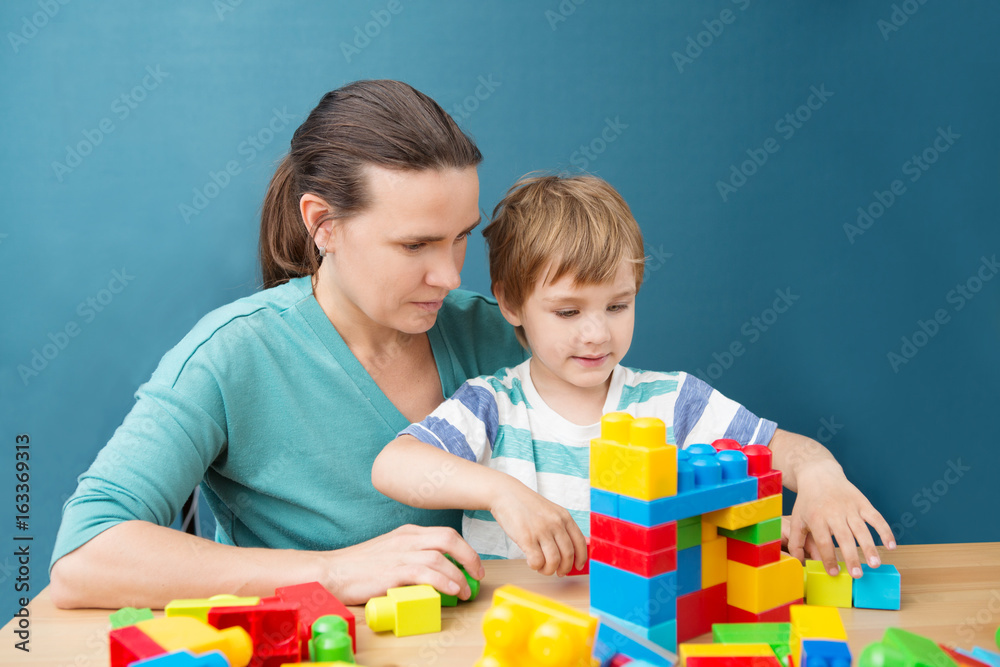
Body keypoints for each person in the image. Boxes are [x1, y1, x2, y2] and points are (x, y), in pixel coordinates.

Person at [48, 80, 528, 609]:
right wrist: (332, 572)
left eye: (461, 236)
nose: (450, 276)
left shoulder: (500, 337)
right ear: (323, 224)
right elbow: (84, 555)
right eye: (415, 244)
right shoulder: (233, 355)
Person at [372, 173, 896, 578]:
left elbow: (787, 450)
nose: (597, 334)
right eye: (568, 313)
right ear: (510, 302)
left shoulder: (674, 402)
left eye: (618, 306)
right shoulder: (490, 405)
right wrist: (503, 493)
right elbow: (394, 465)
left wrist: (823, 478)